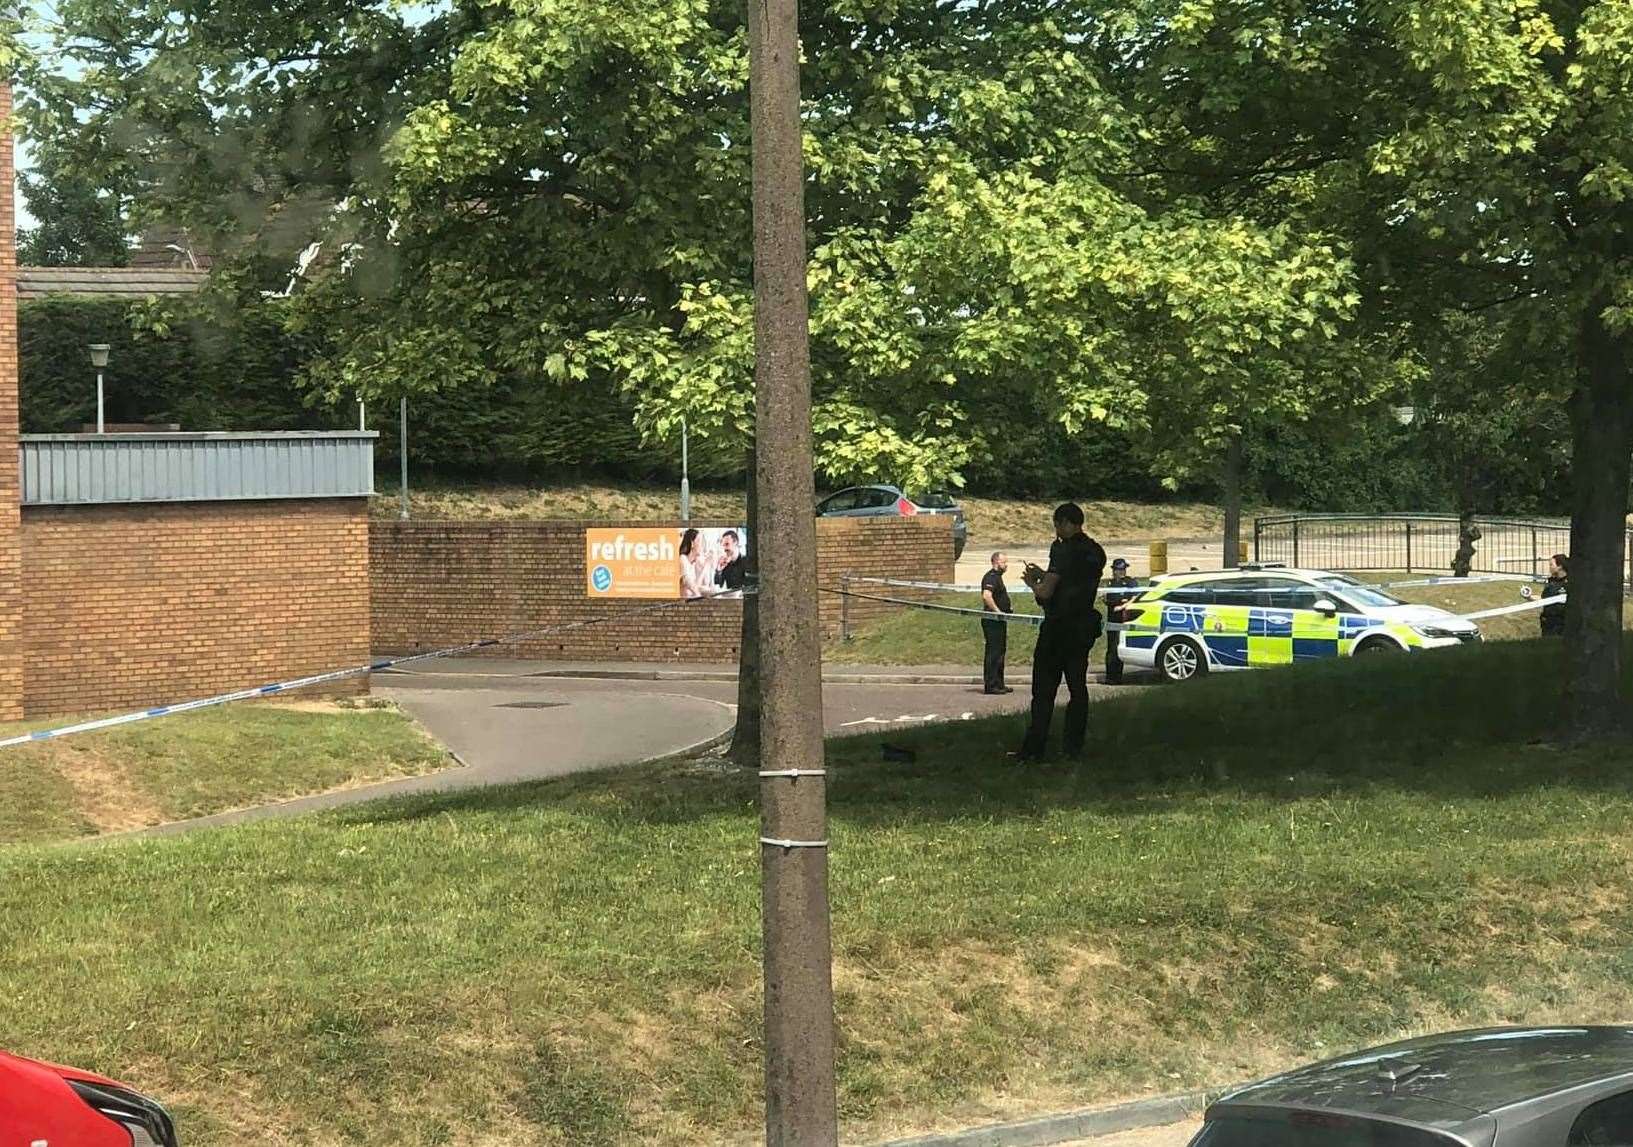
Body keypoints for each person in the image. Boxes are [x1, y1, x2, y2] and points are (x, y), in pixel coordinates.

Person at [1016, 502, 1107, 763]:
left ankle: (1034, 748)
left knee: (1044, 690)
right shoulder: (1095, 551)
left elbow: (1047, 591)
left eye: (1057, 524)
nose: (1056, 530)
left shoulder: (1062, 549)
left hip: (1057, 628)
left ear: (1066, 523)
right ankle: (1073, 746)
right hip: (1082, 628)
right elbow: (1072, 581)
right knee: (1078, 689)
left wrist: (1033, 581)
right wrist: (1048, 575)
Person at [980, 552, 1013, 695]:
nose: (1006, 565)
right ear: (996, 562)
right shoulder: (991, 577)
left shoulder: (998, 577)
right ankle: (991, 685)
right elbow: (986, 596)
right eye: (1004, 562)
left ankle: (999, 684)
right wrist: (998, 611)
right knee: (993, 652)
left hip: (999, 621)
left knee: (1000, 652)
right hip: (992, 621)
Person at [1103, 557, 1137, 685]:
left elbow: (1135, 596)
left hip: (1123, 616)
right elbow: (1107, 599)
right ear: (1114, 570)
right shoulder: (1110, 583)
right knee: (1111, 647)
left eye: (1123, 569)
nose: (1121, 571)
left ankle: (1118, 676)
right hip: (1112, 617)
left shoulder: (1129, 582)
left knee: (1118, 645)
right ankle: (1110, 676)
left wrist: (1123, 605)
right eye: (1119, 569)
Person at [1541, 553, 1568, 637]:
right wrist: (1529, 596)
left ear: (1559, 566)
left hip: (1562, 623)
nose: (1550, 567)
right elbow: (1544, 600)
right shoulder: (1551, 582)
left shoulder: (1570, 583)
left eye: (1551, 565)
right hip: (1548, 623)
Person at [679, 528, 712, 599]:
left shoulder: (692, 564)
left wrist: (705, 567)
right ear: (692, 543)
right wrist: (705, 567)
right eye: (700, 541)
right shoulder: (682, 559)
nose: (702, 546)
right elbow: (693, 588)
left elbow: (697, 586)